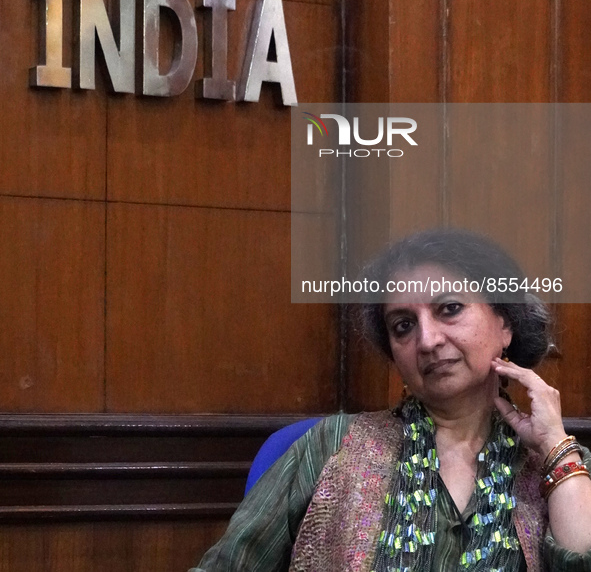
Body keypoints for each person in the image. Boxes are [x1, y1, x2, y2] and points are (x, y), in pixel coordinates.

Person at [190, 229, 591, 571]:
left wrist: (557, 450)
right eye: (404, 326)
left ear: (505, 323)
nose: (428, 340)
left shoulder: (553, 464)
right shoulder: (332, 447)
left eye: (449, 309)